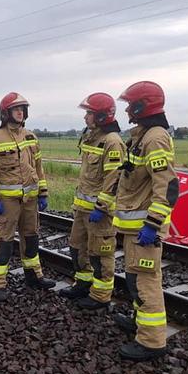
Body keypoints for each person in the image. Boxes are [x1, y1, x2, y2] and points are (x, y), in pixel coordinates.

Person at [112, 81, 179, 361]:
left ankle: (151, 341)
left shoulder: (154, 138)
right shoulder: (142, 136)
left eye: (130, 103)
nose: (126, 108)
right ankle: (140, 323)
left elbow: (168, 186)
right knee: (134, 279)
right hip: (135, 227)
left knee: (146, 281)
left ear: (143, 106)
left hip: (144, 227)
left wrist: (152, 224)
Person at [0, 92, 56, 303]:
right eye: (16, 109)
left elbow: (38, 168)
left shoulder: (31, 136)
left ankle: (34, 276)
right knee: (4, 242)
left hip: (31, 200)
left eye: (23, 109)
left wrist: (43, 192)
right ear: (6, 113)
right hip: (7, 202)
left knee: (31, 238)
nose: (20, 112)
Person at [57, 93, 126, 310]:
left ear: (102, 116)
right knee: (77, 248)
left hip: (99, 212)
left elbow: (114, 179)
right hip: (82, 209)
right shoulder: (91, 137)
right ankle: (83, 284)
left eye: (89, 113)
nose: (85, 117)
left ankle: (101, 295)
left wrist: (101, 206)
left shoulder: (112, 141)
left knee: (100, 254)